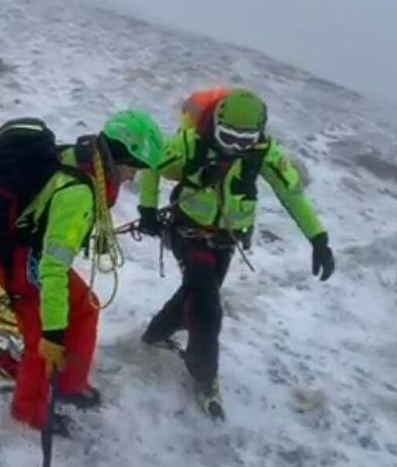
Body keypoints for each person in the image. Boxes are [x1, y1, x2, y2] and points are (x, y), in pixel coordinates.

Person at [0, 110, 165, 436]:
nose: (132, 177)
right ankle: (29, 413)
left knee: (85, 307)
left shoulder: (82, 157)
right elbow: (53, 267)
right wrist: (53, 334)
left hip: (30, 256)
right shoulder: (79, 192)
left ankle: (69, 385)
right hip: (25, 265)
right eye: (133, 167)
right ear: (121, 155)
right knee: (41, 344)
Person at [136, 88, 335, 416]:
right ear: (214, 124)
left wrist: (319, 239)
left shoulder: (264, 154)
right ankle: (205, 376)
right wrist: (147, 210)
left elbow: (292, 194)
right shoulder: (189, 144)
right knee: (207, 307)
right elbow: (153, 165)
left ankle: (156, 334)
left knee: (197, 292)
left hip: (226, 240)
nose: (235, 147)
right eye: (227, 137)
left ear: (259, 134)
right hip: (187, 232)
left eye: (245, 140)